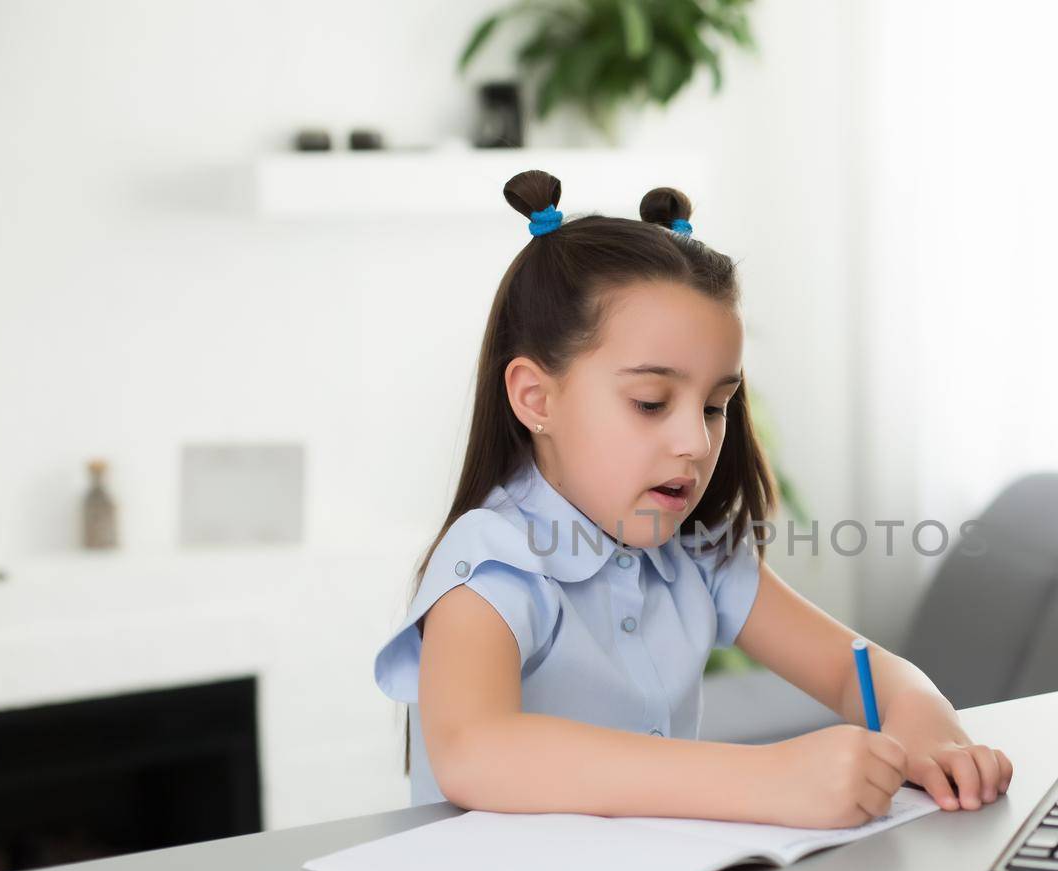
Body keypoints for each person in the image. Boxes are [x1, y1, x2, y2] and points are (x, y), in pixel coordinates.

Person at [375, 169, 1011, 829]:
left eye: (715, 405)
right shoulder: (492, 558)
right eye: (651, 403)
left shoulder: (697, 554)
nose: (694, 441)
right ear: (537, 398)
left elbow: (865, 673)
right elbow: (475, 750)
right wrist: (767, 777)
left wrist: (929, 733)